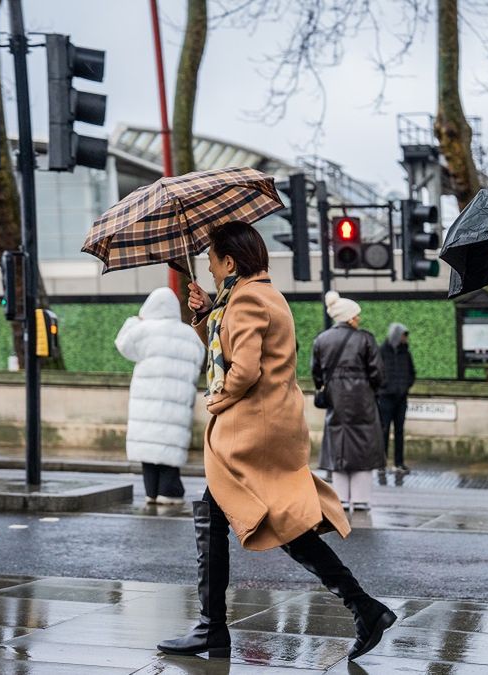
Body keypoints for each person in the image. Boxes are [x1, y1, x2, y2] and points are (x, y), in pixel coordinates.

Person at [158, 221, 395, 661]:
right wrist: (206, 313)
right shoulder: (260, 294)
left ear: (230, 262)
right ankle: (364, 607)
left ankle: (213, 628)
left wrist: (218, 399)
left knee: (219, 513)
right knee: (277, 524)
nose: (209, 269)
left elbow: (242, 370)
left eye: (212, 262)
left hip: (251, 430)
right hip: (272, 425)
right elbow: (226, 348)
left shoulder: (246, 299)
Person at [114, 287, 205, 505]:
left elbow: (123, 344)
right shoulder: (190, 335)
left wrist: (136, 319)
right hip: (178, 406)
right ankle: (168, 492)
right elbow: (199, 361)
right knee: (169, 452)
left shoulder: (145, 330)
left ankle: (152, 493)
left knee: (149, 453)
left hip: (146, 407)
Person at [313, 291, 386, 511]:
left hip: (335, 399)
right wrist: (370, 389)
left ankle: (341, 497)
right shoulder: (365, 338)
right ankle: (362, 499)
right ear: (350, 317)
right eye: (357, 315)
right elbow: (377, 373)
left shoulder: (321, 340)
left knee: (338, 443)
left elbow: (316, 374)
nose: (359, 319)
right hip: (362, 399)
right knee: (364, 445)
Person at [377, 322, 416, 473]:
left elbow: (411, 372)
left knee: (399, 431)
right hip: (386, 398)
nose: (405, 339)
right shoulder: (382, 351)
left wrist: (406, 386)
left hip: (401, 398)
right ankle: (382, 463)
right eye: (403, 335)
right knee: (384, 430)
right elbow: (377, 372)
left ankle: (399, 463)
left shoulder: (406, 352)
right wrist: (384, 387)